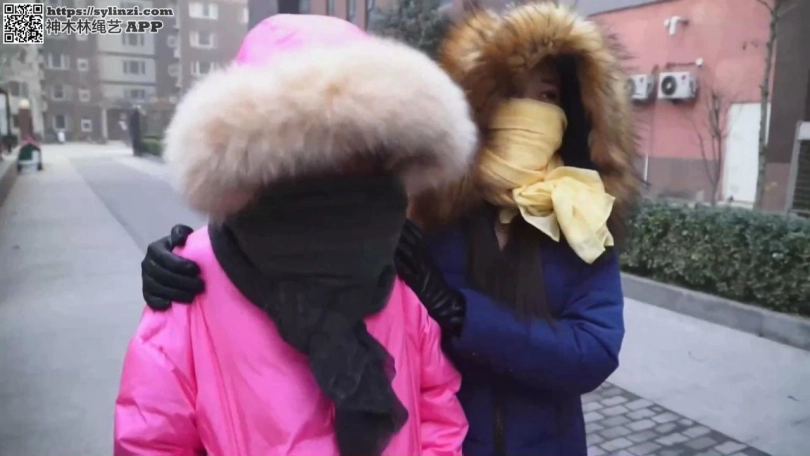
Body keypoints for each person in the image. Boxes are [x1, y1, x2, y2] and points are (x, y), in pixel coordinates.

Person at [137, 3, 640, 455]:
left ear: (574, 113)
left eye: (547, 96)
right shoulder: (428, 210)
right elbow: (305, 229)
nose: (529, 114)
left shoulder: (583, 218)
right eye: (511, 93)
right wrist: (196, 257)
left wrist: (463, 315)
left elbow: (593, 353)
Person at [115, 14, 476, 456]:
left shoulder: (392, 272)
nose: (346, 173)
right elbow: (152, 439)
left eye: (363, 150)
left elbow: (435, 406)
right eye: (316, 151)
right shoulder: (192, 285)